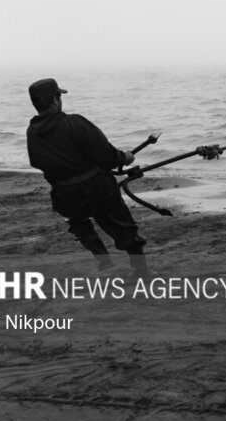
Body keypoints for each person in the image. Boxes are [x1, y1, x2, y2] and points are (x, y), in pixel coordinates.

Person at [26, 78, 150, 275]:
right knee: (124, 227)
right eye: (59, 96)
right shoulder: (75, 123)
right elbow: (106, 157)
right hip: (97, 191)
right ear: (56, 100)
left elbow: (37, 162)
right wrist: (124, 157)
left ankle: (102, 258)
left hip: (64, 196)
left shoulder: (32, 132)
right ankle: (141, 271)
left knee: (78, 223)